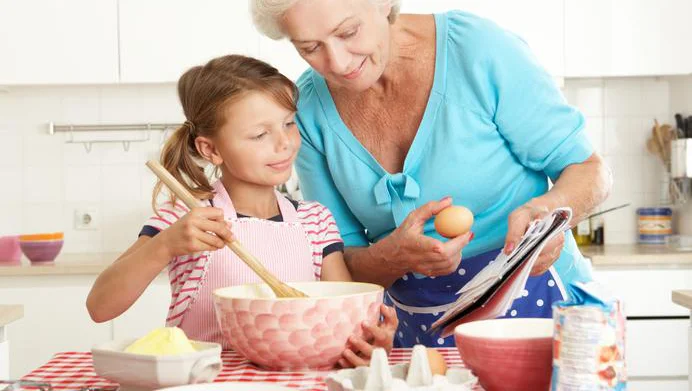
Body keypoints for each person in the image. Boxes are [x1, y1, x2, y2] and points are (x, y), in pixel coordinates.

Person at [249, 0, 612, 347]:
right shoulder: (308, 112)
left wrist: (548, 215)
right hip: (416, 331)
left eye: (348, 32)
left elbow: (589, 170)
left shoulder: (475, 49)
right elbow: (338, 266)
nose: (338, 62)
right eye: (310, 47)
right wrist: (394, 255)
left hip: (543, 310)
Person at [86, 54, 397, 367]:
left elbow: (342, 317)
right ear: (211, 149)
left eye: (289, 123)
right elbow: (100, 307)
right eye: (260, 134)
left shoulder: (315, 221)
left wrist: (371, 343)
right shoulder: (187, 220)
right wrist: (165, 245)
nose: (284, 143)